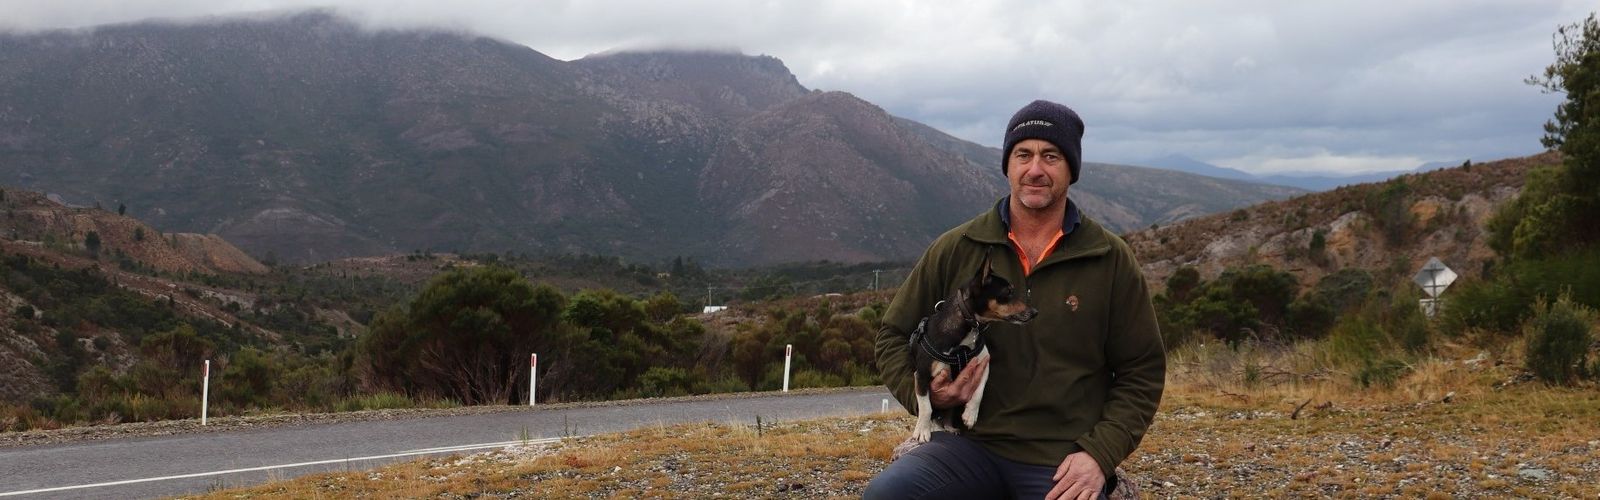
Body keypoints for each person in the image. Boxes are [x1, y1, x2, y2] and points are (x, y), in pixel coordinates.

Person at [865, 100, 1166, 500]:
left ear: (1071, 169)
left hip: (1061, 457)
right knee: (888, 496)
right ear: (1007, 164)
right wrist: (927, 396)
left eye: (1051, 156)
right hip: (964, 445)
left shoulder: (1109, 258)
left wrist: (1099, 454)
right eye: (1023, 154)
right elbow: (891, 335)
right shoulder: (957, 247)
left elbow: (1142, 371)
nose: (1035, 169)